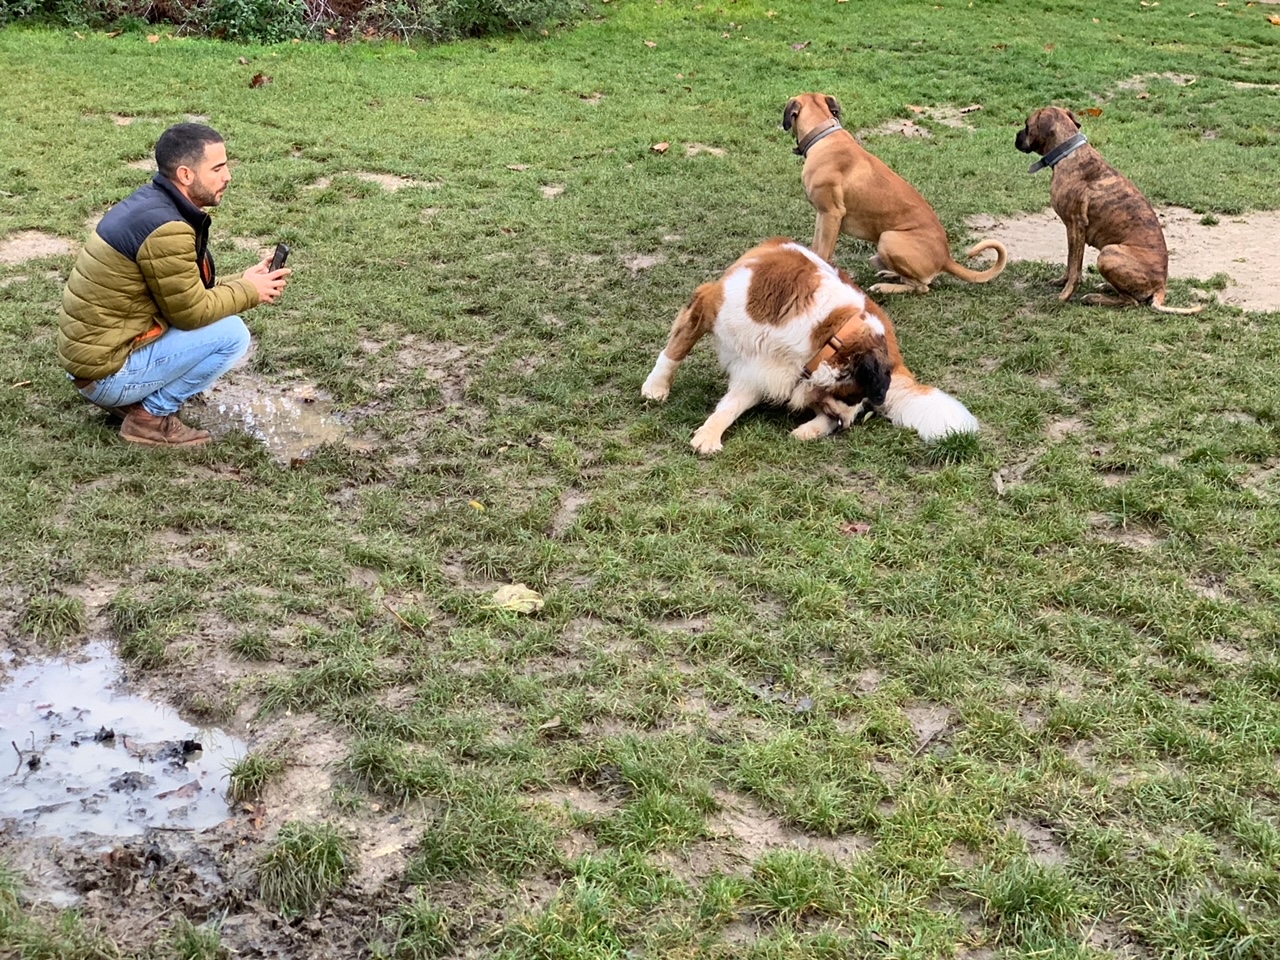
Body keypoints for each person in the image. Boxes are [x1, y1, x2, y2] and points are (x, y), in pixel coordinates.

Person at [58, 123, 290, 447]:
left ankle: (130, 399)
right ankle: (149, 417)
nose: (228, 176)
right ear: (185, 174)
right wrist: (250, 292)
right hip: (103, 373)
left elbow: (182, 292)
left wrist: (246, 280)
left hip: (90, 358)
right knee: (232, 335)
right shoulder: (168, 229)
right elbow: (190, 313)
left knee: (220, 322)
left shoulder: (152, 205)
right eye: (218, 168)